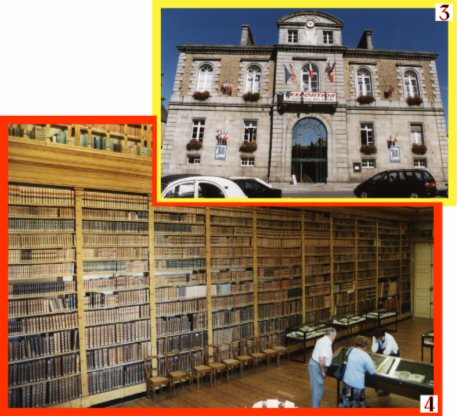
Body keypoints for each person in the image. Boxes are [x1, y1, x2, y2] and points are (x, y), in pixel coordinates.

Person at [340, 335, 376, 408]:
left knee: (346, 404)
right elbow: (372, 371)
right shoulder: (365, 356)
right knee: (357, 405)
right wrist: (373, 365)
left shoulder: (349, 350)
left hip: (346, 382)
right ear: (365, 346)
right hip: (357, 385)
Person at [308, 327, 337, 408]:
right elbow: (321, 359)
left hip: (315, 365)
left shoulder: (322, 339)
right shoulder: (326, 343)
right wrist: (323, 371)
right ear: (333, 336)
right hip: (317, 366)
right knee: (317, 391)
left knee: (318, 389)